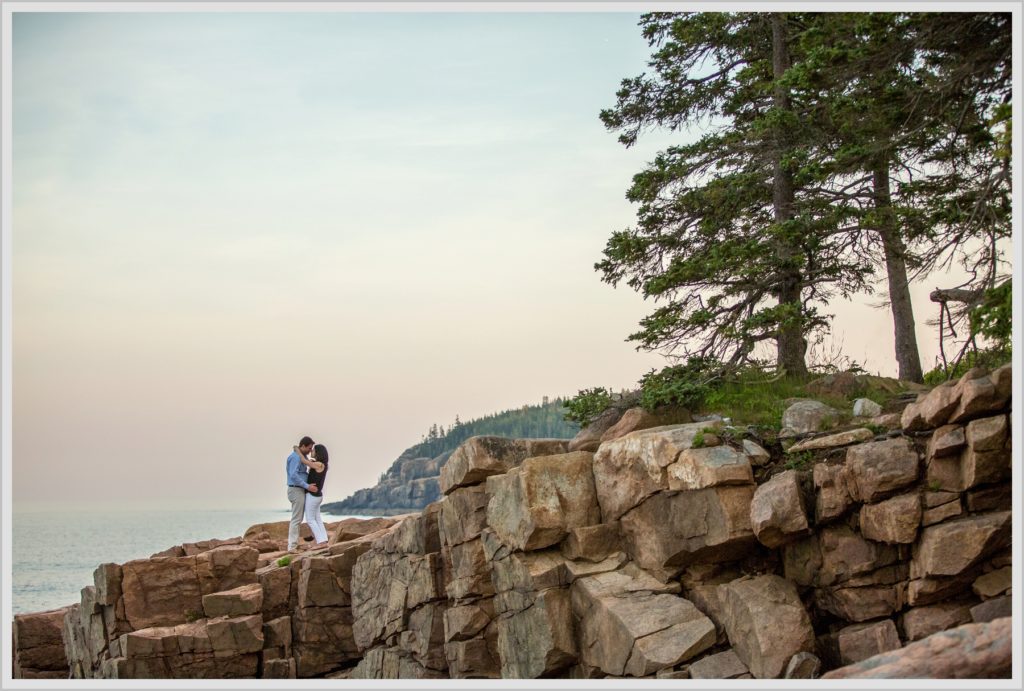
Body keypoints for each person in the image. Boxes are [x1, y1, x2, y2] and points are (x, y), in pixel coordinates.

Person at [285, 436, 318, 552]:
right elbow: (293, 475)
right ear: (303, 446)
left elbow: (301, 473)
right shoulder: (295, 457)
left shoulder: (302, 457)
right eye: (309, 448)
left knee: (298, 518)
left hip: (299, 489)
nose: (310, 450)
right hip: (296, 489)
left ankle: (293, 545)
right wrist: (307, 486)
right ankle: (292, 546)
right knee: (297, 519)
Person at [303, 443, 330, 547]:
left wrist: (297, 451)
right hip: (317, 495)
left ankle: (321, 542)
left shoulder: (320, 464)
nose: (311, 452)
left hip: (313, 496)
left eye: (313, 450)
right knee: (317, 518)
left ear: (318, 452)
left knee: (310, 519)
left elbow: (305, 461)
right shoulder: (321, 464)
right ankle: (324, 540)